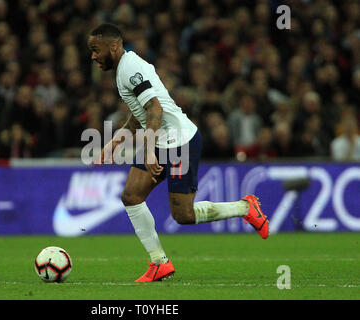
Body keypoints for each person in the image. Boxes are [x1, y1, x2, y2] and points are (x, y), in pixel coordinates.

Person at [87, 23, 269, 283]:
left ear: (113, 47)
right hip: (163, 141)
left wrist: (148, 151)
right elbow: (140, 114)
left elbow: (154, 108)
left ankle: (245, 207)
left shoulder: (130, 68)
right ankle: (159, 262)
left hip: (179, 142)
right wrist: (115, 143)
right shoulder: (124, 69)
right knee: (131, 196)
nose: (93, 56)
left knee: (183, 215)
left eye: (96, 49)